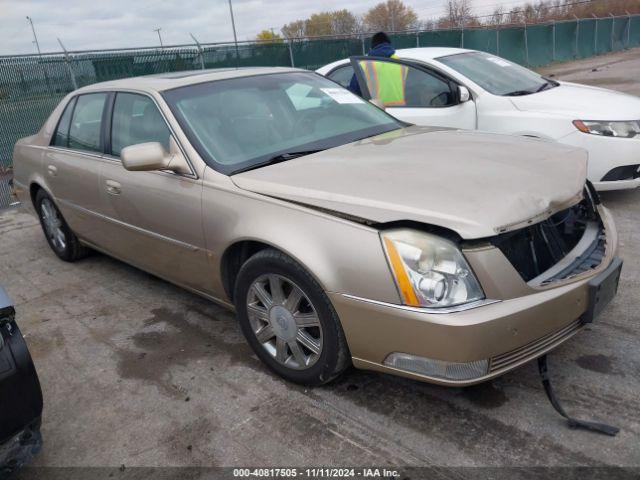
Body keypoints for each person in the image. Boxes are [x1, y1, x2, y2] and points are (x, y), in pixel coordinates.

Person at [348, 31, 407, 107]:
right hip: (401, 110)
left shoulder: (364, 65)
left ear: (372, 47)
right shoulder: (401, 63)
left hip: (376, 113)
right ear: (389, 45)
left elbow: (353, 93)